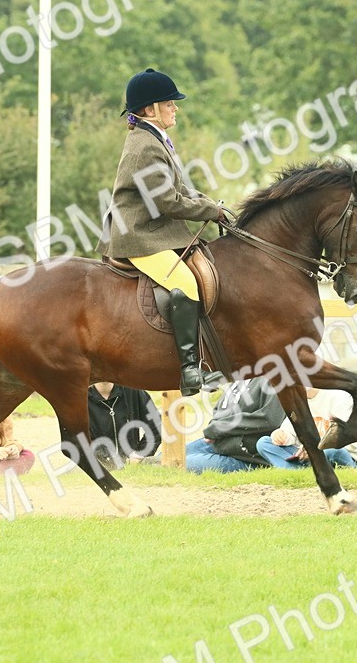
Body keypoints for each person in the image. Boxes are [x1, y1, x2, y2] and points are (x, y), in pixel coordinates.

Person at [96, 68, 227, 397]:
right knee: (184, 282)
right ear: (150, 109)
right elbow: (168, 201)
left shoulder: (155, 140)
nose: (175, 108)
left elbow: (180, 189)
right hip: (139, 235)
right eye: (170, 103)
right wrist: (210, 211)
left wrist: (214, 205)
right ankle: (189, 370)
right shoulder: (145, 147)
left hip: (157, 230)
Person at [255, 388, 357, 470]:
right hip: (309, 458)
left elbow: (346, 436)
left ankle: (297, 470)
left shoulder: (339, 396)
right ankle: (301, 471)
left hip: (343, 455)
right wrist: (281, 435)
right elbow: (289, 431)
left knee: (333, 452)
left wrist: (313, 448)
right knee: (263, 443)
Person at [184, 378, 284, 474]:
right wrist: (214, 427)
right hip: (221, 445)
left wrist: (220, 428)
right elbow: (221, 408)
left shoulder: (275, 376)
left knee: (183, 463)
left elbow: (270, 418)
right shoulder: (243, 376)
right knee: (173, 456)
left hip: (247, 457)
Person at [85, 382, 163, 468]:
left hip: (134, 463)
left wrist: (141, 453)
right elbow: (77, 438)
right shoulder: (81, 398)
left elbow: (157, 425)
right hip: (98, 466)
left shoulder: (134, 391)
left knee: (162, 463)